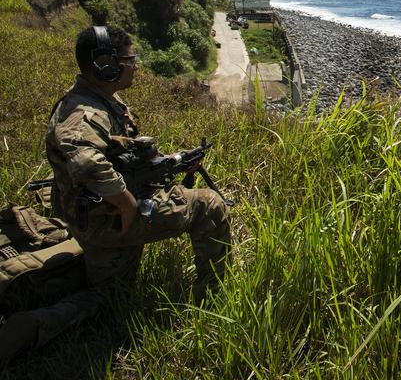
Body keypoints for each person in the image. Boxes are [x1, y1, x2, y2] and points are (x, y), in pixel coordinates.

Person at [0, 25, 230, 361]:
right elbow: (86, 160)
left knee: (110, 294)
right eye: (129, 59)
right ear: (106, 65)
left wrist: (166, 165)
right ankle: (213, 301)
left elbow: (118, 157)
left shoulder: (96, 99)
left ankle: (34, 325)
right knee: (209, 206)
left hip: (92, 220)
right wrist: (126, 205)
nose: (135, 65)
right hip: (106, 220)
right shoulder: (85, 113)